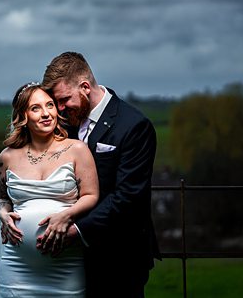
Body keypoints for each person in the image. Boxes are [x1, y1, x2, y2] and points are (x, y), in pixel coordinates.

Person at [38, 52, 161, 298]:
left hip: (120, 257)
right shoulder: (67, 122)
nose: (59, 109)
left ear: (85, 87)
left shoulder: (135, 126)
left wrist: (76, 231)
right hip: (72, 261)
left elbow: (128, 197)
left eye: (64, 100)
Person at [0, 82, 99, 298]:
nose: (46, 113)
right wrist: (3, 214)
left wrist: (66, 216)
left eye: (50, 105)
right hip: (16, 266)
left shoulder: (77, 150)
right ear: (23, 116)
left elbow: (91, 195)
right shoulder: (7, 157)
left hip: (64, 266)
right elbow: (1, 199)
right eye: (35, 108)